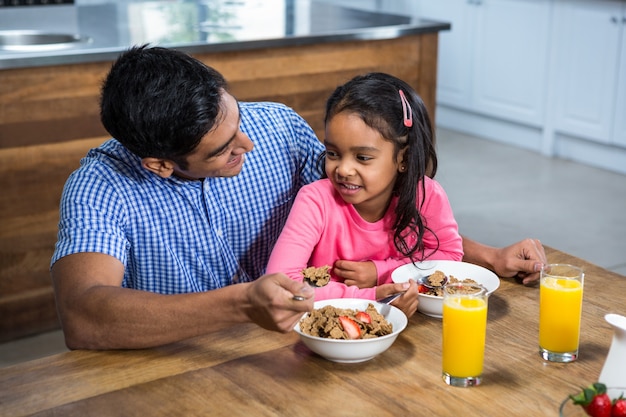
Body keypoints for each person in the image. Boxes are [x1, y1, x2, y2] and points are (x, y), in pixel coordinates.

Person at [50, 45, 546, 351]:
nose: (247, 143)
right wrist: (242, 305)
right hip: (184, 360)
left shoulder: (277, 128)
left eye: (237, 119)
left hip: (301, 343)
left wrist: (483, 258)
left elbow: (371, 202)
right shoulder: (100, 188)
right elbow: (85, 316)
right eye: (224, 149)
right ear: (159, 163)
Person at [266, 73, 463, 317]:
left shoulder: (426, 195)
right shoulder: (314, 200)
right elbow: (280, 283)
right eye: (333, 153)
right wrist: (370, 296)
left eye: (363, 158)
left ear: (404, 158)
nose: (343, 170)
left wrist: (380, 271)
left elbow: (450, 257)